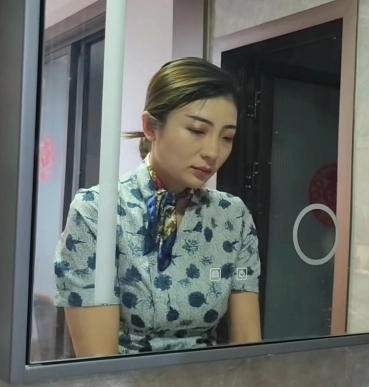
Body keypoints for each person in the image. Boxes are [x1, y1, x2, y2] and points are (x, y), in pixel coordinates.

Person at [54, 57, 262, 357]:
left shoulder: (232, 216)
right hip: (127, 383)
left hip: (213, 382)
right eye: (197, 130)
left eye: (227, 137)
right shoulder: (98, 211)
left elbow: (248, 346)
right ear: (151, 127)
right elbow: (99, 364)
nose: (213, 152)